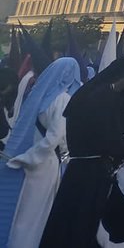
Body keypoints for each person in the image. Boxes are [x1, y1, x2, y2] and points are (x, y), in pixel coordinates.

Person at [39, 55, 124, 248]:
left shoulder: (98, 94)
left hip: (84, 170)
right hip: (89, 173)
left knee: (73, 225)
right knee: (77, 227)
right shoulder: (102, 98)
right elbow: (105, 141)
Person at [0, 56, 81, 248]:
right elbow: (55, 138)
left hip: (30, 159)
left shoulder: (42, 94)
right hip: (43, 163)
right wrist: (30, 159)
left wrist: (26, 157)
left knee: (20, 213)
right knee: (33, 216)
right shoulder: (63, 99)